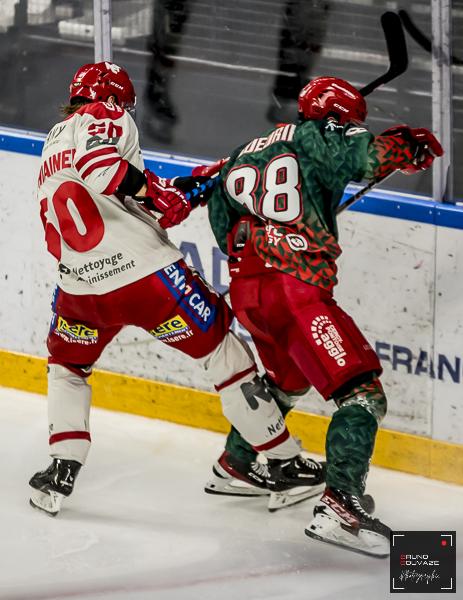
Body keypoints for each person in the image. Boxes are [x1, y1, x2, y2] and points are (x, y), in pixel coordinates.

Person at [29, 61, 325, 516]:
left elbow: (107, 194)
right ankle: (283, 462)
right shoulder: (104, 114)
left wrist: (168, 192)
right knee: (222, 354)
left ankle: (61, 467)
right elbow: (100, 168)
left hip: (80, 290)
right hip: (146, 279)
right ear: (116, 97)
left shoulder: (53, 141)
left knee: (67, 366)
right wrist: (156, 192)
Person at [197, 76, 443, 556]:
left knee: (286, 381)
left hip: (250, 293)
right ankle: (341, 507)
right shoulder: (323, 133)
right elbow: (366, 157)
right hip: (295, 293)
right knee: (363, 394)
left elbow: (221, 220)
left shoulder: (245, 151)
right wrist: (404, 143)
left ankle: (238, 464)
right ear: (336, 116)